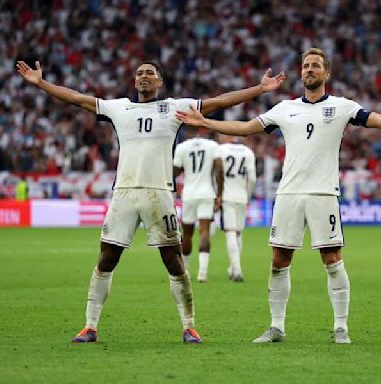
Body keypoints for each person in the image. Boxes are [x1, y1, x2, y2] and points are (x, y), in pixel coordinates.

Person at [176, 47, 381, 344]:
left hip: (323, 193)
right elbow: (245, 128)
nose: (309, 69)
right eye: (306, 65)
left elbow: (380, 120)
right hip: (289, 193)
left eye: (316, 66)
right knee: (279, 259)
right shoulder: (284, 108)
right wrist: (206, 123)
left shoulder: (343, 107)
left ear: (326, 73)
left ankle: (341, 327)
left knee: (332, 259)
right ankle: (276, 327)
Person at [16, 59, 286, 344]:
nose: (144, 77)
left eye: (150, 73)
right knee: (107, 258)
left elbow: (219, 102)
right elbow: (76, 98)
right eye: (140, 73)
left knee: (173, 259)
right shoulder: (119, 108)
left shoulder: (174, 107)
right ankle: (90, 326)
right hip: (124, 193)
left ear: (159, 82)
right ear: (134, 82)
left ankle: (189, 326)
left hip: (159, 193)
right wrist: (42, 84)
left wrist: (260, 88)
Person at [173, 128, 220, 282]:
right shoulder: (212, 145)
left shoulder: (182, 147)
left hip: (189, 194)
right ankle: (203, 273)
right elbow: (219, 169)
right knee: (204, 232)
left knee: (187, 234)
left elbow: (175, 171)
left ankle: (185, 271)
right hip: (207, 193)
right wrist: (220, 194)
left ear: (187, 132)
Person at [214, 134, 256, 282]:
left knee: (230, 232)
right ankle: (233, 267)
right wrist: (248, 197)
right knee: (238, 233)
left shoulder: (220, 150)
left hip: (227, 196)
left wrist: (217, 195)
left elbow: (217, 173)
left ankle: (237, 270)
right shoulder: (248, 151)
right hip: (242, 197)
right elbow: (252, 179)